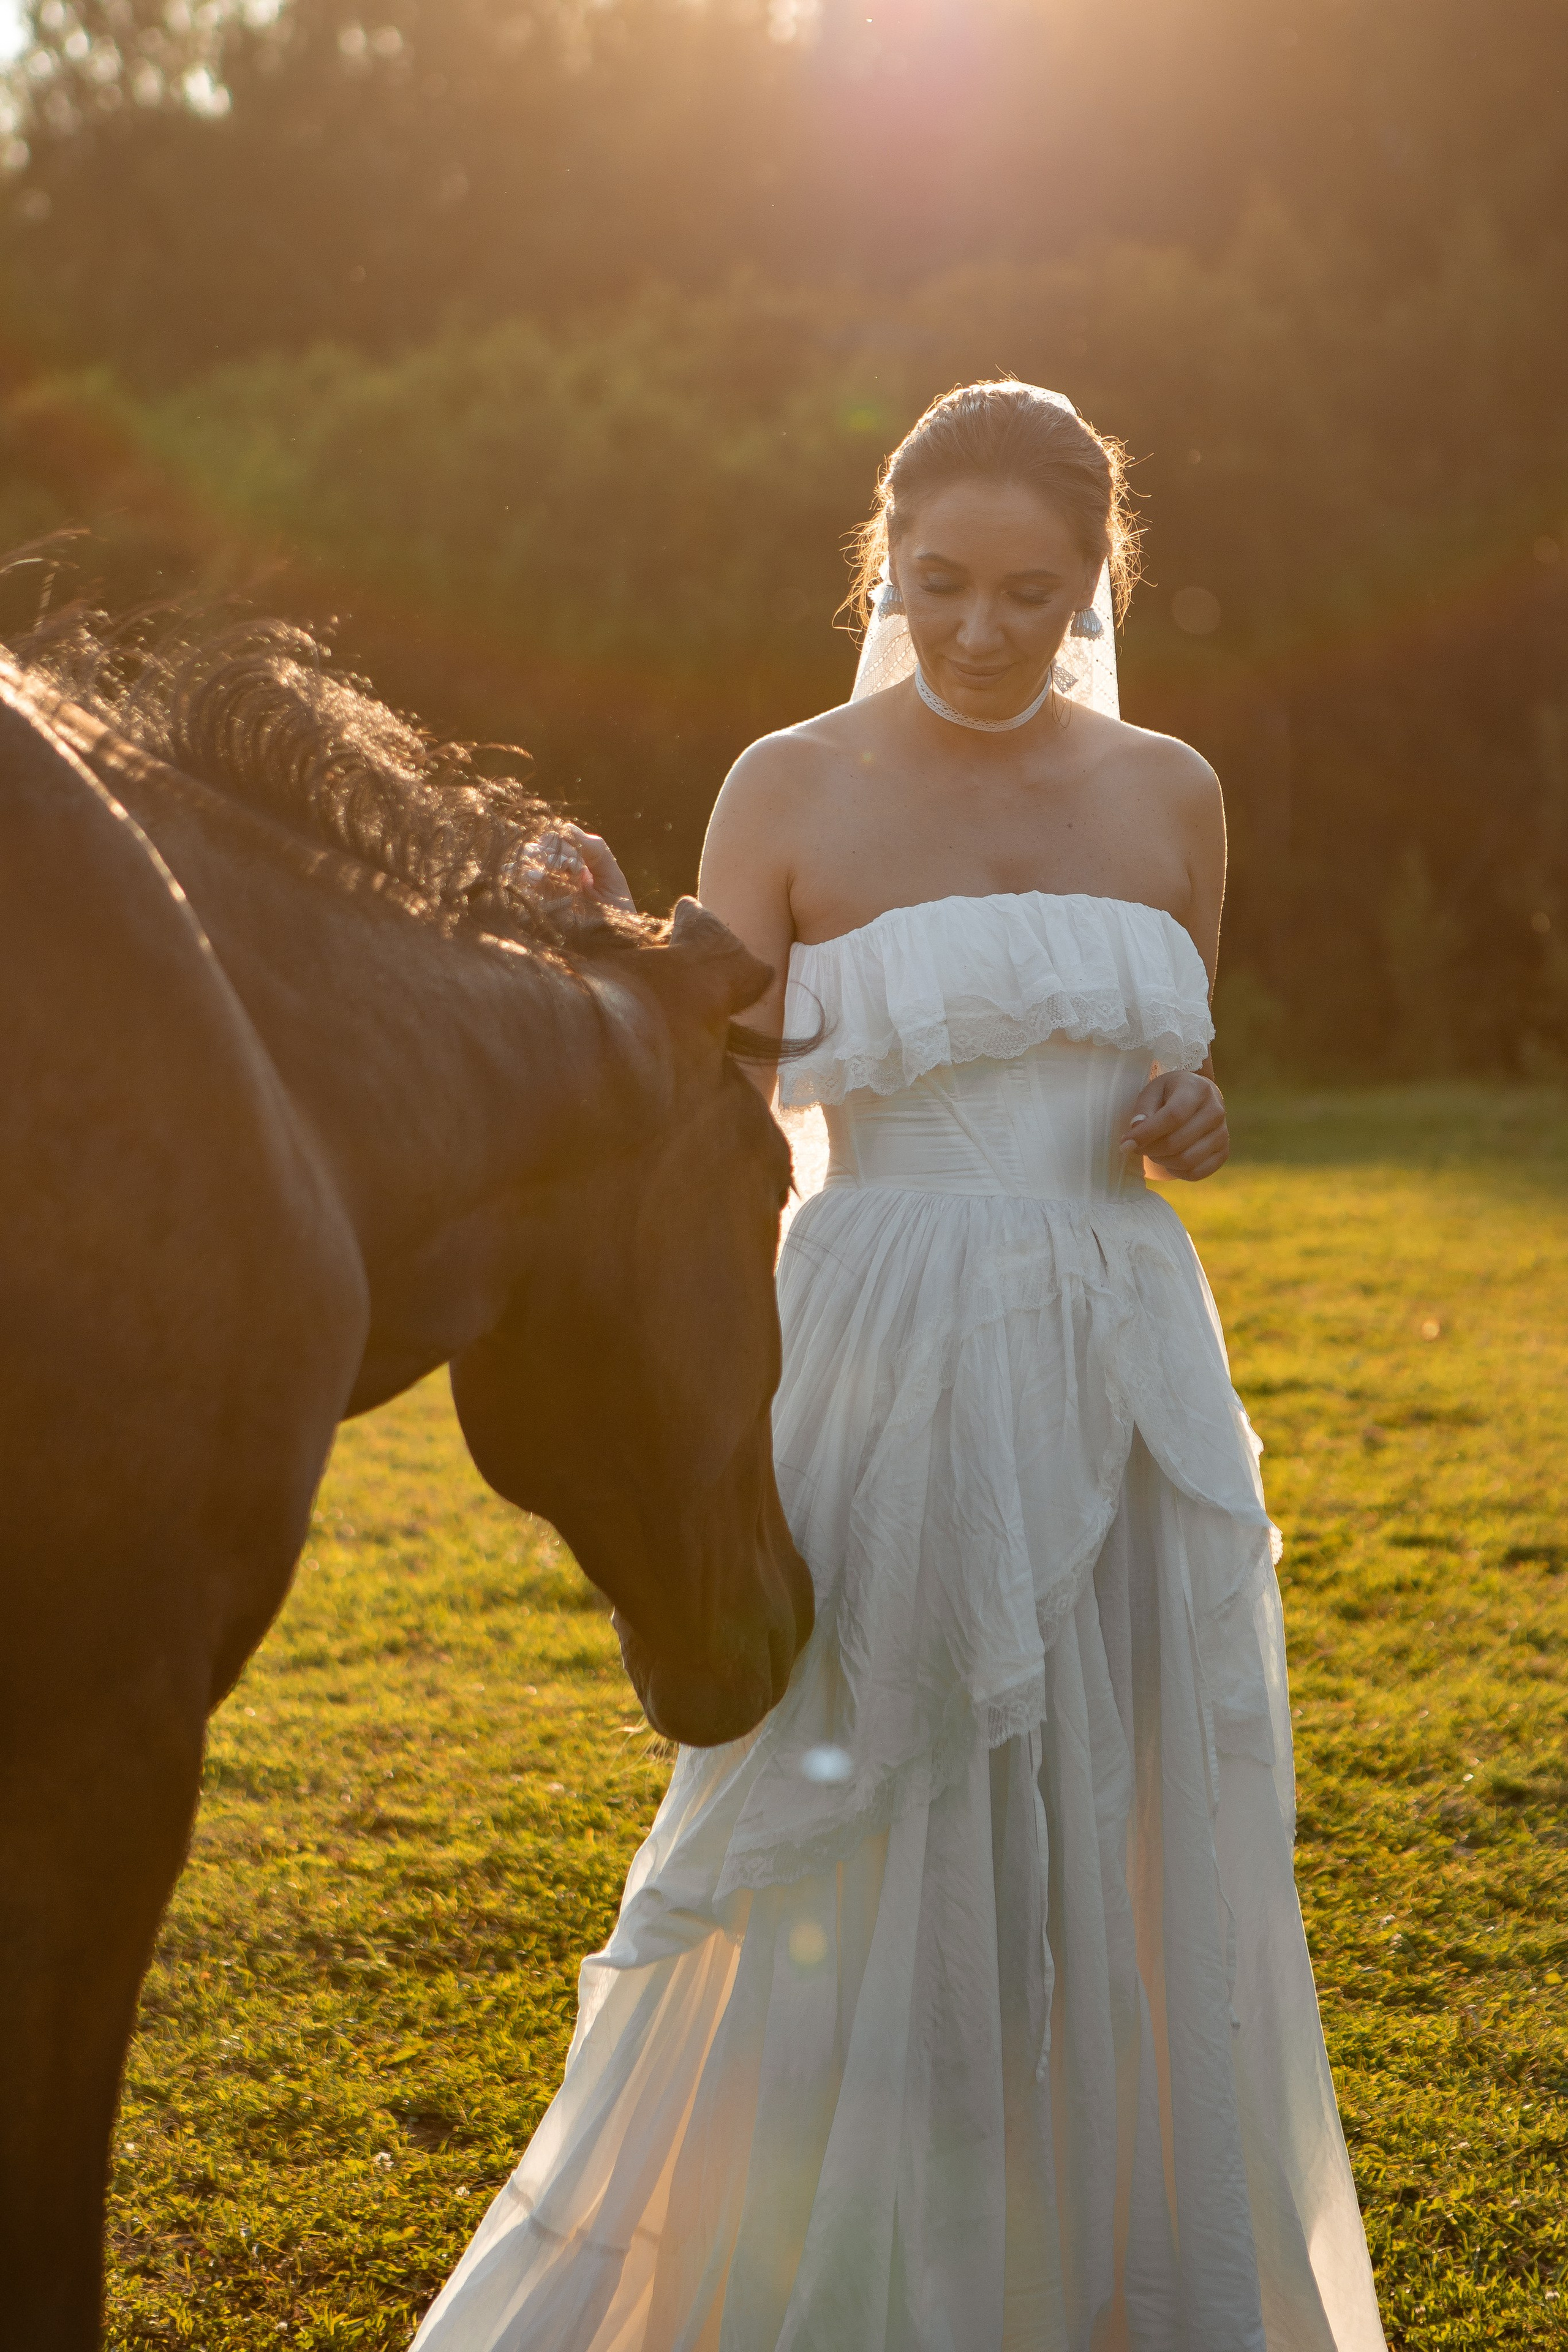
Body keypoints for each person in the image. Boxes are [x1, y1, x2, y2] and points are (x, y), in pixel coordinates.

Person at [412, 382, 1387, 2351]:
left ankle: (1091, 2267)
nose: (983, 634)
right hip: (874, 1328)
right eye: (941, 585)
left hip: (1121, 1348)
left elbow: (1166, 1070)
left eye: (1035, 592)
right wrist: (570, 923)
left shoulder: (1172, 793)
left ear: (1098, 584)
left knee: (1116, 1809)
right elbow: (713, 1054)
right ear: (887, 567)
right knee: (872, 1786)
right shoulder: (789, 785)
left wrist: (1190, 1113)